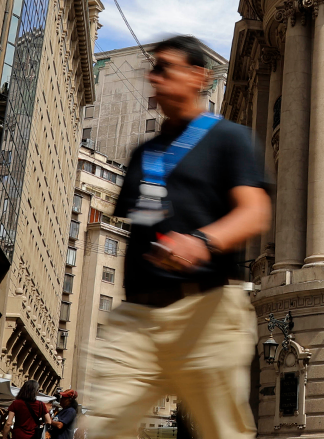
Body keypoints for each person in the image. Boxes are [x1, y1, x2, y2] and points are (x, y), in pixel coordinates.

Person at [86, 35, 271, 439]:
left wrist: (202, 242)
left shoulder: (229, 138)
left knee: (224, 433)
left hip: (206, 312)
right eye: (152, 69)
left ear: (198, 76)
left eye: (164, 68)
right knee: (102, 424)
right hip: (137, 319)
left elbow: (255, 211)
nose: (153, 77)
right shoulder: (143, 153)